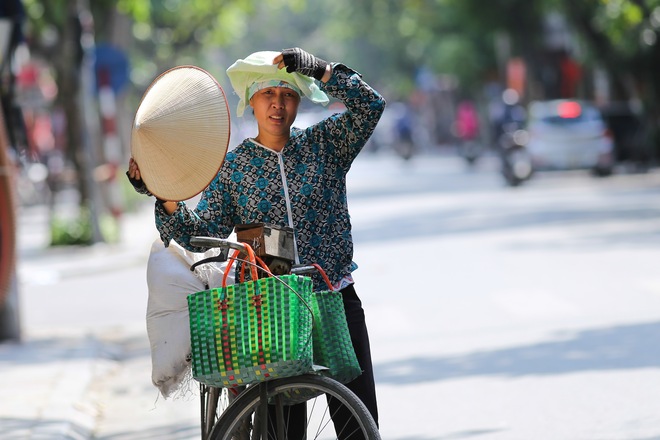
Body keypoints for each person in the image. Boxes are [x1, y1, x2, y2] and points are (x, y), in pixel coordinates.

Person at [127, 47, 386, 436]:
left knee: (358, 421)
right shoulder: (235, 169)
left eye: (287, 94)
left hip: (333, 296)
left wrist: (322, 70)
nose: (277, 105)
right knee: (284, 428)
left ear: (299, 99)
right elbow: (198, 234)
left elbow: (371, 106)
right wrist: (161, 192)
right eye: (267, 94)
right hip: (272, 309)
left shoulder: (325, 145)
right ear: (251, 100)